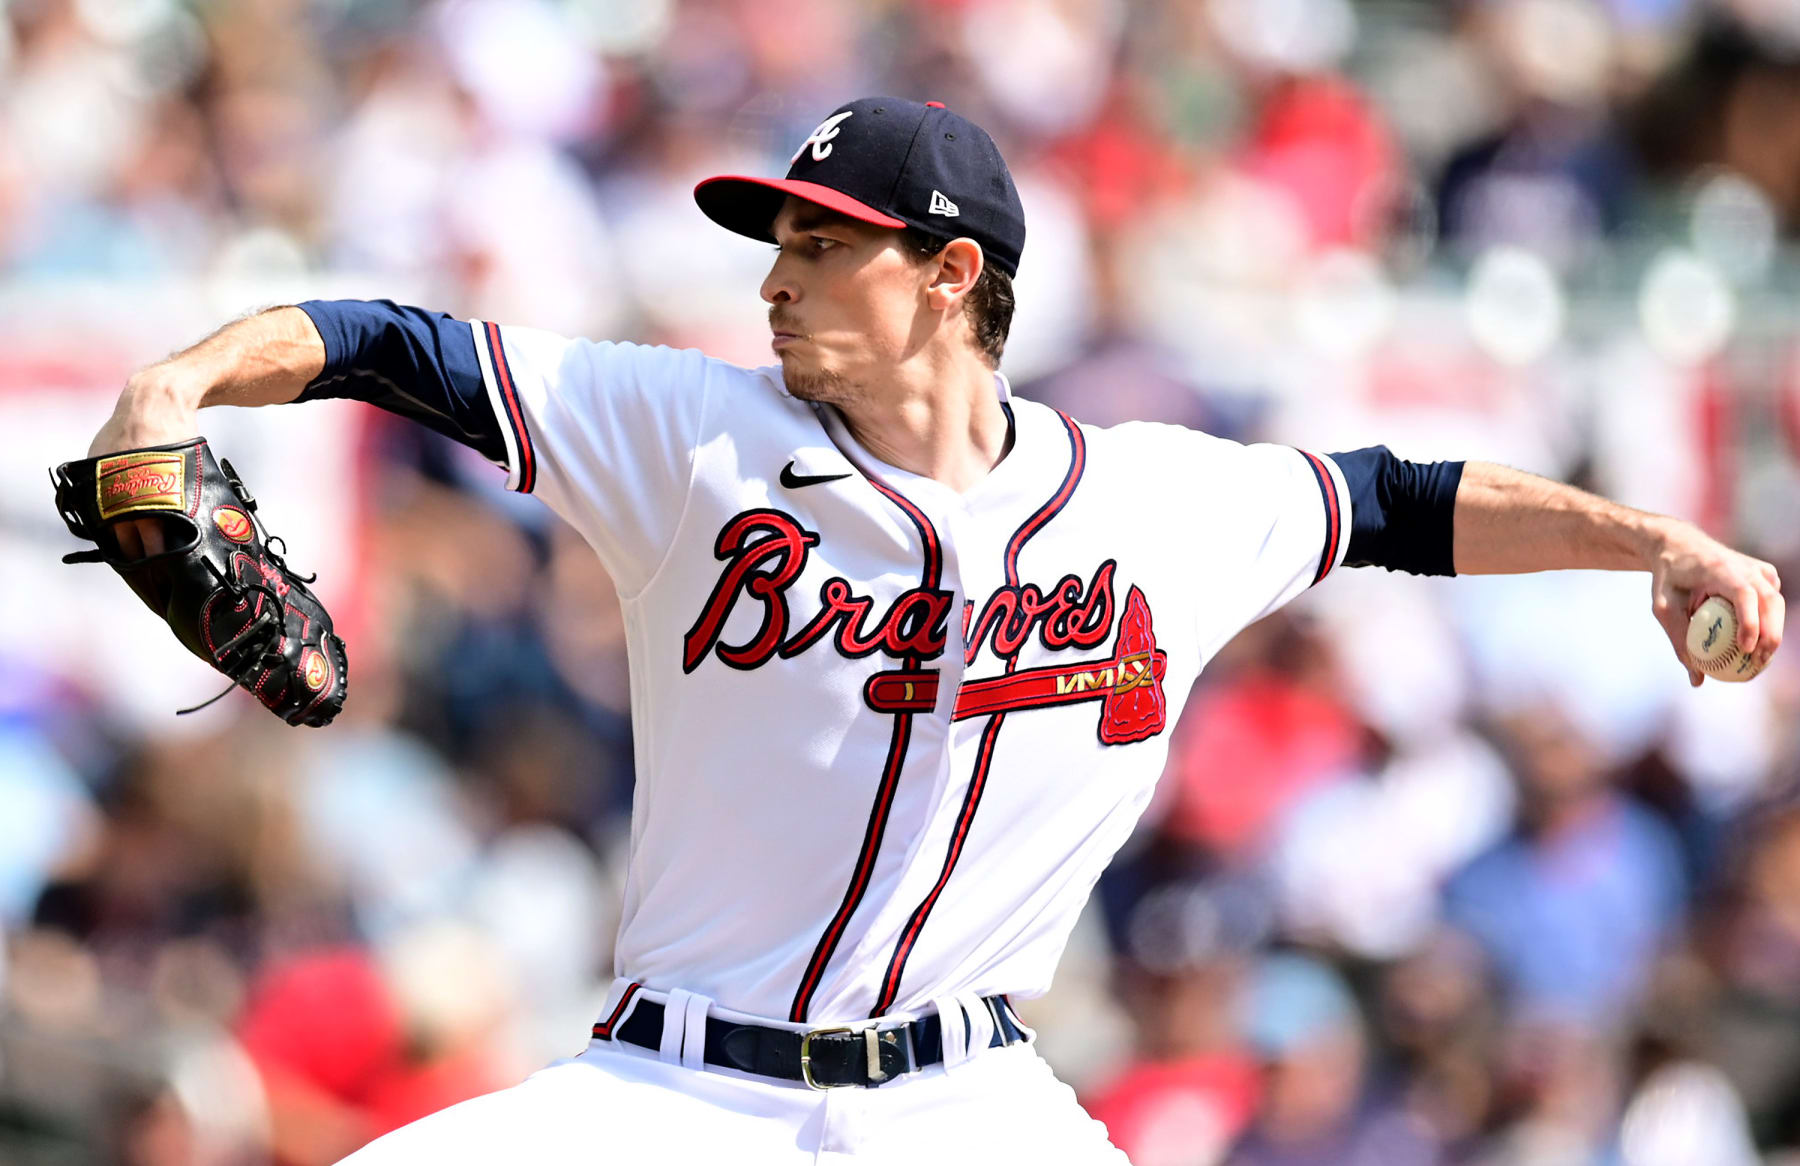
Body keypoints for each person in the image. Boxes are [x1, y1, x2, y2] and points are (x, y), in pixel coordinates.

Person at [84, 97, 1784, 1164]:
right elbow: (393, 343)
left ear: (953, 274)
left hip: (967, 1106)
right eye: (781, 243)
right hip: (675, 1097)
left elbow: (1401, 499)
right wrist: (175, 385)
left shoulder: (1154, 502)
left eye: (827, 247)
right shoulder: (686, 430)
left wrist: (1653, 542)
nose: (779, 278)